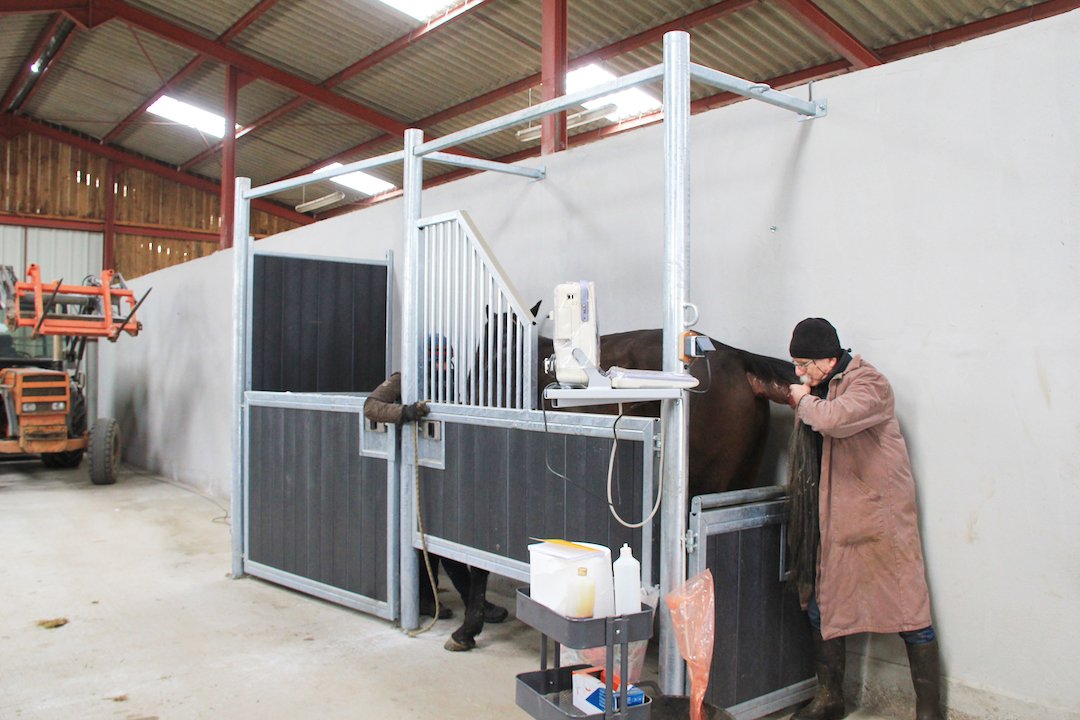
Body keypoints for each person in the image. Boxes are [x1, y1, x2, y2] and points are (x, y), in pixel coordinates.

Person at [784, 318, 942, 720]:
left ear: (827, 359)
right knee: (823, 608)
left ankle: (929, 711)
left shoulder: (870, 384)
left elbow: (833, 420)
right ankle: (830, 699)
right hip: (836, 523)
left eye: (803, 364)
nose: (799, 374)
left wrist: (802, 401)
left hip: (879, 522)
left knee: (909, 611)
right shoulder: (822, 387)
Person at [364, 370, 508, 625]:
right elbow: (371, 407)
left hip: (441, 464)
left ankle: (436, 599)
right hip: (411, 466)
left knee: (439, 537)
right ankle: (457, 601)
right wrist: (405, 412)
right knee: (430, 539)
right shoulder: (403, 377)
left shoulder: (452, 376)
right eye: (435, 355)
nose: (441, 360)